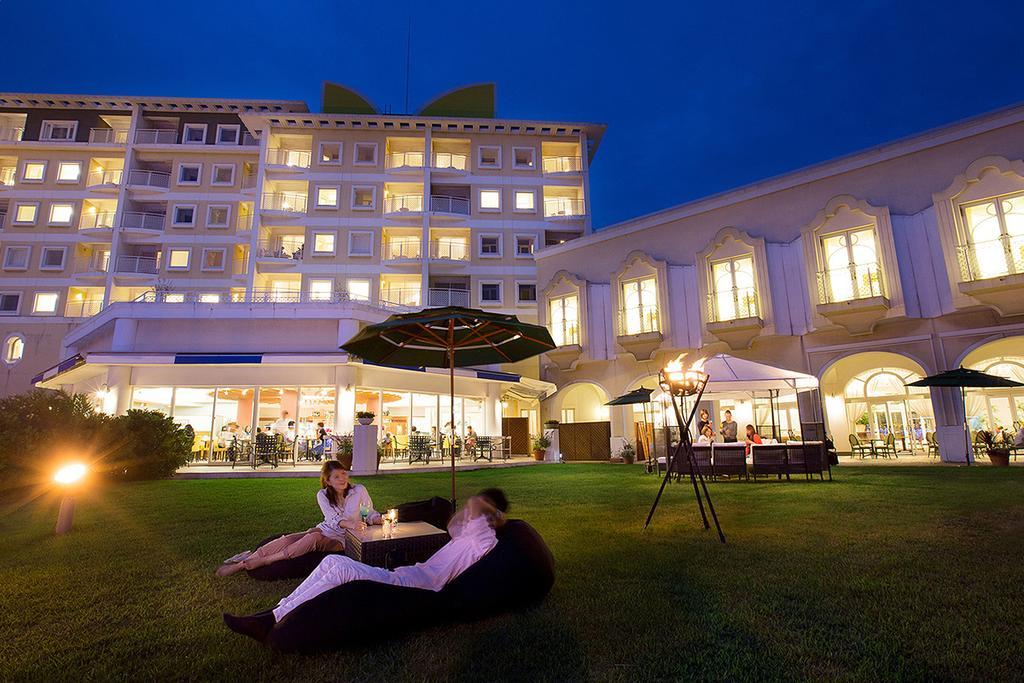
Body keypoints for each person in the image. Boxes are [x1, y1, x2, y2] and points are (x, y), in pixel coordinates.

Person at [223, 488, 510, 642]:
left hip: (419, 585)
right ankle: (274, 613)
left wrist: (484, 504)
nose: (471, 514)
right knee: (334, 562)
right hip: (409, 574)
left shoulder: (484, 540)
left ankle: (270, 619)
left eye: (481, 509)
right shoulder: (467, 535)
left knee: (341, 565)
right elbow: (453, 524)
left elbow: (497, 518)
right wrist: (474, 506)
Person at [215, 460, 381, 577]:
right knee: (289, 539)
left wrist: (377, 519)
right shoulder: (322, 495)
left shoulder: (358, 490)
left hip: (344, 539)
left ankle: (266, 560)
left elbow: (368, 512)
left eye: (344, 474)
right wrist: (351, 522)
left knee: (313, 537)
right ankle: (243, 563)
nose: (342, 478)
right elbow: (331, 519)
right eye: (336, 476)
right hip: (326, 529)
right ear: (328, 481)